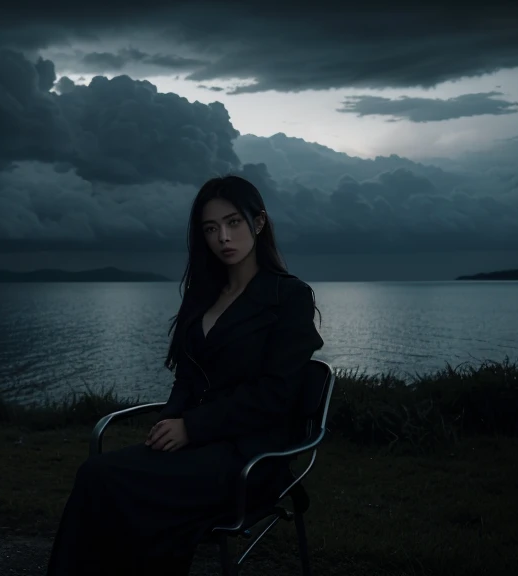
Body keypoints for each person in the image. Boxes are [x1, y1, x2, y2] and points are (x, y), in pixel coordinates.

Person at [45, 175, 324, 575]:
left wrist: (192, 426)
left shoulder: (289, 297)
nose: (223, 237)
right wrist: (170, 421)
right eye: (210, 229)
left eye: (233, 223)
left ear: (258, 223)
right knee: (99, 476)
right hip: (199, 446)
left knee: (113, 482)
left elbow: (275, 396)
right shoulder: (204, 294)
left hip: (251, 455)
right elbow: (188, 377)